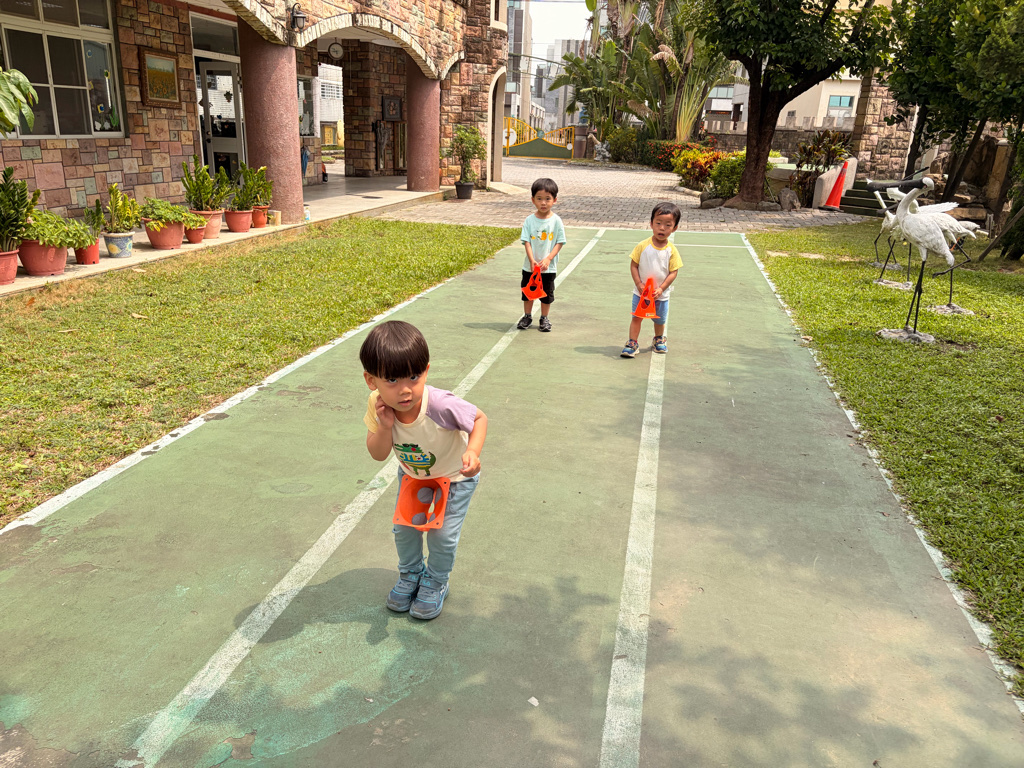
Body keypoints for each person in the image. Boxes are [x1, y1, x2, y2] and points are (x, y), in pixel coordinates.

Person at [360, 320, 488, 620]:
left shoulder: (440, 405)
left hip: (454, 478)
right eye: (392, 380)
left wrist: (472, 452)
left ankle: (436, 581)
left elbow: (479, 419)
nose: (405, 390)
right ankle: (411, 574)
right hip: (414, 477)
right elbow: (378, 454)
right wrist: (385, 427)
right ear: (371, 380)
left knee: (441, 536)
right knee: (404, 529)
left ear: (426, 371)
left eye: (414, 377)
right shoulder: (378, 405)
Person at [620, 202, 683, 358]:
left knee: (659, 320)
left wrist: (661, 288)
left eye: (668, 225)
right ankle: (632, 343)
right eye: (658, 223)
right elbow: (634, 265)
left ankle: (658, 339)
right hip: (641, 293)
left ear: (674, 228)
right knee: (636, 317)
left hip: (660, 295)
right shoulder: (642, 246)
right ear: (651, 224)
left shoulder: (671, 250)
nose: (662, 228)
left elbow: (673, 272)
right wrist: (638, 284)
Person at [517, 178, 566, 332]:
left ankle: (544, 318)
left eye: (547, 199)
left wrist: (548, 259)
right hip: (530, 267)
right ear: (533, 200)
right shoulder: (529, 220)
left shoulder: (556, 221)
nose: (543, 203)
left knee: (546, 294)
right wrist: (532, 260)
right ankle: (527, 316)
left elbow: (560, 242)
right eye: (539, 199)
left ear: (554, 200)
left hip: (548, 268)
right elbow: (526, 242)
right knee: (528, 293)